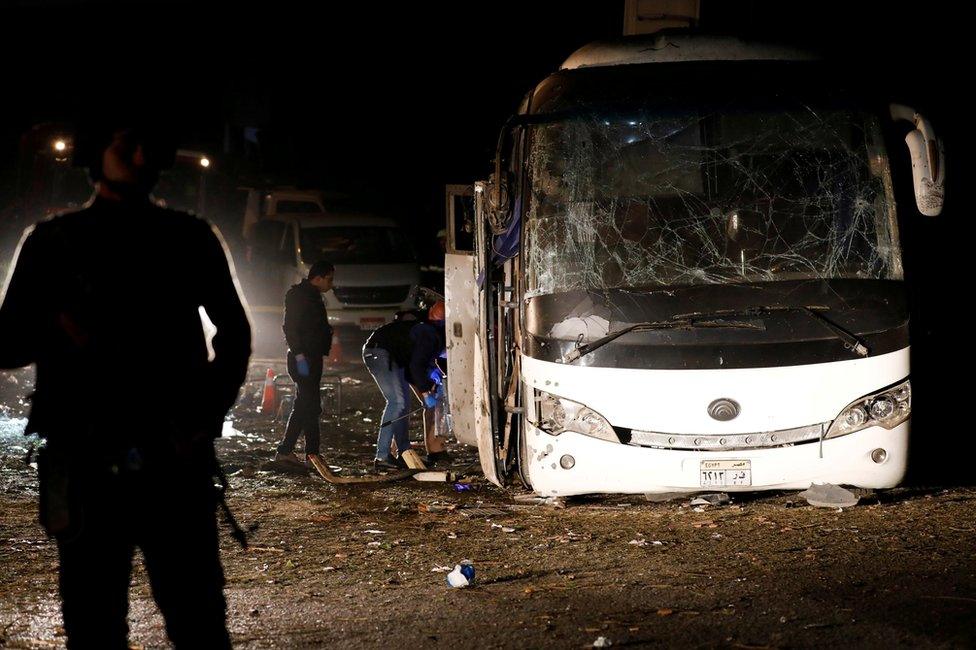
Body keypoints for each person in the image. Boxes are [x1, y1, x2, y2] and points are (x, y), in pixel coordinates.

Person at [0, 120, 251, 648]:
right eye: (124, 142)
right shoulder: (53, 242)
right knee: (94, 622)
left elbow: (235, 334)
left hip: (172, 456)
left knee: (197, 618)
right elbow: (8, 346)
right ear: (97, 152)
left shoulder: (188, 237)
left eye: (147, 143)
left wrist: (201, 418)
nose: (139, 155)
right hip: (86, 457)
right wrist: (57, 324)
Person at [362, 301, 447, 470]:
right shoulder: (429, 335)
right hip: (380, 353)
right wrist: (425, 392)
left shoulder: (425, 329)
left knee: (403, 405)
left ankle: (403, 451)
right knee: (397, 402)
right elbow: (416, 366)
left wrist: (427, 382)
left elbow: (411, 368)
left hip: (387, 355)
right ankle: (382, 457)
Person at [274, 260, 334, 465]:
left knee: (303, 405)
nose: (331, 284)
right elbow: (290, 327)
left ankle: (286, 450)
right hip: (304, 358)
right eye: (329, 279)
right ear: (318, 277)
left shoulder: (312, 296)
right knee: (311, 406)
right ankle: (312, 454)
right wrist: (299, 355)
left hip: (311, 357)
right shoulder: (299, 296)